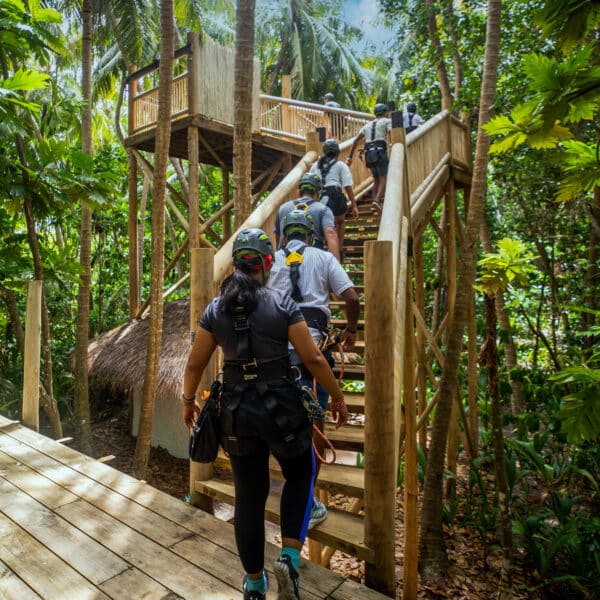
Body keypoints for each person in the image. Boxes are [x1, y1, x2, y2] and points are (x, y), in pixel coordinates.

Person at [182, 227, 348, 600]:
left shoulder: (214, 310)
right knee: (301, 473)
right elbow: (314, 358)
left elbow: (195, 365)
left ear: (237, 264)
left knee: (249, 496)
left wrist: (187, 400)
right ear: (268, 263)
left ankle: (254, 583)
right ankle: (288, 556)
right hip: (283, 410)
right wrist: (336, 397)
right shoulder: (282, 304)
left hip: (237, 415)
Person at [268, 210, 360, 529]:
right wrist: (350, 330)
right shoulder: (323, 258)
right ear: (310, 236)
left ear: (283, 234)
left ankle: (294, 489)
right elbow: (350, 296)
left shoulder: (273, 260)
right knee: (315, 421)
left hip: (275, 353)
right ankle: (306, 497)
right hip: (311, 353)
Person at [274, 172, 341, 262]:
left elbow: (278, 236)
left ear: (299, 191)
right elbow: (330, 233)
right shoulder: (323, 209)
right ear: (318, 192)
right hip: (313, 259)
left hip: (285, 259)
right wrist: (336, 264)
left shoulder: (283, 208)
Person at [310, 139, 358, 261]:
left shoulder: (316, 165)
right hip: (336, 196)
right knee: (340, 222)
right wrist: (354, 205)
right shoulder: (341, 165)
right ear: (337, 152)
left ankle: (324, 248)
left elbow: (311, 182)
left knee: (323, 224)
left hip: (321, 197)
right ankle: (339, 249)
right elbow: (347, 186)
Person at [346, 102, 392, 214]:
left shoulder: (367, 125)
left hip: (369, 154)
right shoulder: (387, 121)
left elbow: (355, 140)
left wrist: (350, 157)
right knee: (383, 179)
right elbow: (392, 133)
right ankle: (376, 201)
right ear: (385, 113)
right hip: (380, 151)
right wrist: (392, 144)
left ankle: (373, 204)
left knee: (376, 179)